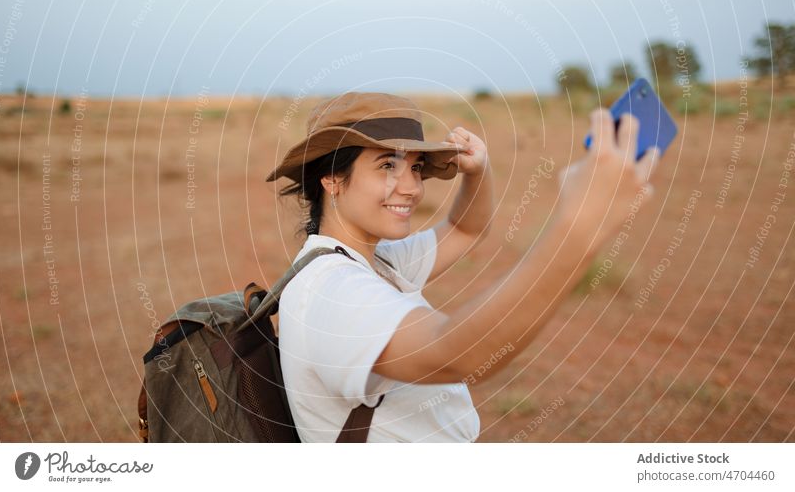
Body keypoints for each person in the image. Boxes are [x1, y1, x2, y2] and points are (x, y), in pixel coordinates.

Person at [265, 91, 661, 442]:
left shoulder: (372, 260)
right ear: (332, 179)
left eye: (416, 167)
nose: (412, 188)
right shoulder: (333, 292)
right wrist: (579, 229)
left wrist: (479, 170)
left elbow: (465, 228)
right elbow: (453, 353)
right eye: (388, 165)